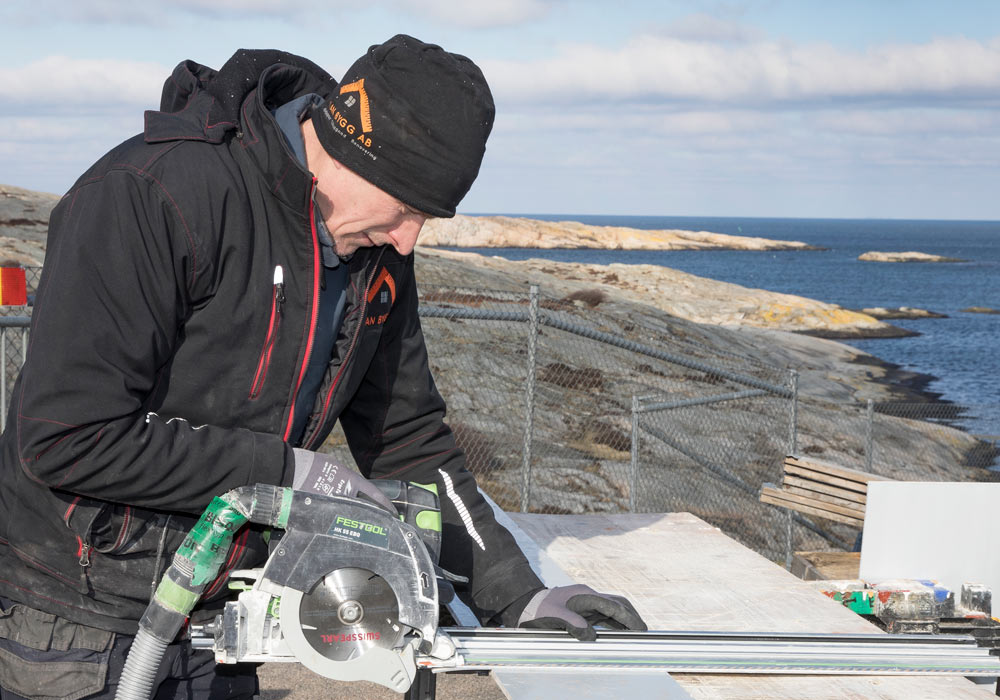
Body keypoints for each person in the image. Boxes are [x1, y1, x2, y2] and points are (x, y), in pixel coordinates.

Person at [0, 37, 645, 700]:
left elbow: (408, 439)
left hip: (224, 614)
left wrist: (518, 597)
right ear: (349, 147)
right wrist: (285, 474)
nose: (408, 239)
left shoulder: (377, 256)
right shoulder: (154, 196)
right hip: (74, 623)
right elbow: (65, 436)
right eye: (405, 206)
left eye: (425, 217)